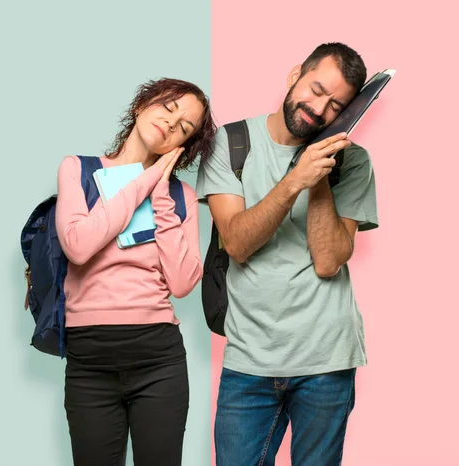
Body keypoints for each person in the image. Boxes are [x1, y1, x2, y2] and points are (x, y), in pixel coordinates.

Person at [196, 43, 379, 465]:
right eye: (315, 90)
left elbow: (329, 260)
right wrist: (295, 178)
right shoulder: (231, 143)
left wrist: (318, 175)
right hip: (250, 359)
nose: (319, 109)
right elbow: (238, 244)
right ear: (295, 74)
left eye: (336, 106)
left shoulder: (353, 163)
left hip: (327, 359)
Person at [56, 77, 216, 466]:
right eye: (169, 107)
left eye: (183, 127)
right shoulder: (78, 170)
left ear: (181, 147)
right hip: (89, 363)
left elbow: (181, 284)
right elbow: (78, 246)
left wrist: (161, 191)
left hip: (158, 359)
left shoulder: (181, 196)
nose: (171, 122)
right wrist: (147, 177)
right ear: (143, 103)